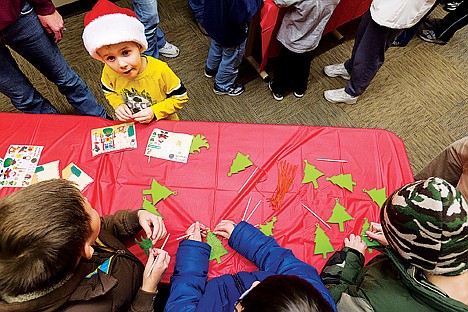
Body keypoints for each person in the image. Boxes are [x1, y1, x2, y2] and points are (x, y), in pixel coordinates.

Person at [0, 179, 170, 310]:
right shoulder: (89, 307)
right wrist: (148, 291)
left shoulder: (69, 244)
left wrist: (133, 219)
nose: (87, 198)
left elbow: (98, 228)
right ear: (86, 250)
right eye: (89, 208)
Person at [320, 177, 468, 311]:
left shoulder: (373, 303)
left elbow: (329, 299)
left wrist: (350, 256)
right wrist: (397, 244)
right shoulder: (444, 256)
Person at [164, 220, 337, 311]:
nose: (255, 283)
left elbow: (182, 299)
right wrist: (243, 237)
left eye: (252, 292)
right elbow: (280, 259)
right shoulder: (312, 297)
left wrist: (192, 253)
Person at [82, 0, 188, 124]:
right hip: (134, 124)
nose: (121, 64)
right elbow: (109, 91)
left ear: (139, 46)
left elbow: (180, 97)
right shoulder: (108, 71)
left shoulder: (160, 70)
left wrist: (155, 111)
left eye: (125, 53)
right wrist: (119, 105)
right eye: (110, 58)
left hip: (164, 123)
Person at [0, 0, 107, 117]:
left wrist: (45, 7)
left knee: (65, 78)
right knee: (25, 98)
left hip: (17, 13)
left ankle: (100, 122)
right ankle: (56, 130)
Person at [323, 0, 435, 104]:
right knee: (363, 35)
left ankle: (352, 92)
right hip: (384, 5)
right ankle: (350, 68)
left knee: (371, 51)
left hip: (399, 10)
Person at [268, 0, 340, 101]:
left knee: (284, 67)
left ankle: (278, 89)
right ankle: (299, 89)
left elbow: (280, 2)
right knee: (304, 65)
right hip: (312, 39)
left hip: (293, 38)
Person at [203, 0, 262, 96]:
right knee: (231, 58)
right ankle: (223, 85)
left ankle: (211, 69)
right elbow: (240, 15)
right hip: (231, 32)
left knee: (216, 45)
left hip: (214, 20)